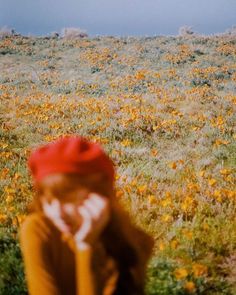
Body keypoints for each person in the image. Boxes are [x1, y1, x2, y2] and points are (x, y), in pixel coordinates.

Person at [19, 136, 154, 295]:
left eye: (67, 200)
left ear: (99, 196)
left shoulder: (135, 243)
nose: (57, 213)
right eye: (48, 201)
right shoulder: (40, 230)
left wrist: (86, 246)